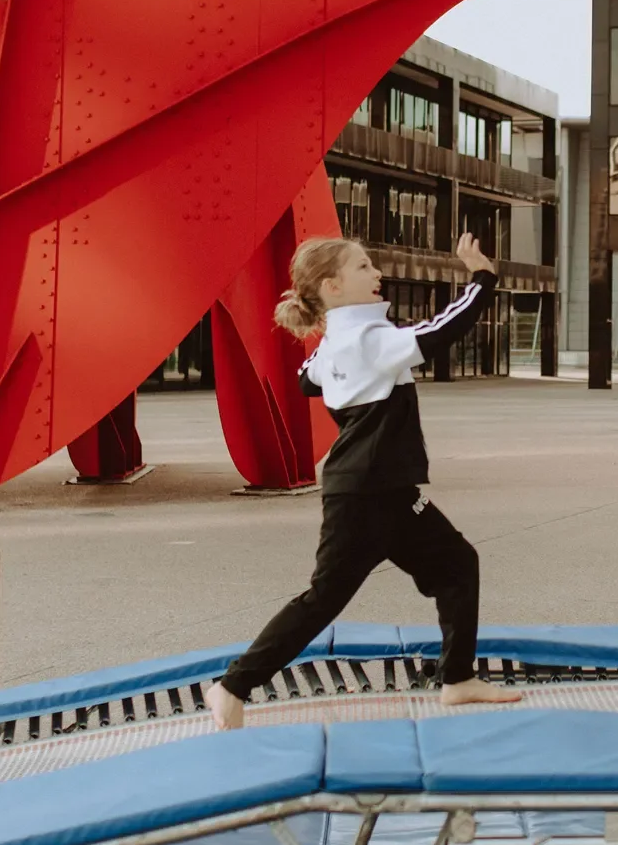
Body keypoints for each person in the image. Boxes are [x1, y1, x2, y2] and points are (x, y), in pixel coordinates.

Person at [205, 230, 520, 729]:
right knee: (323, 599)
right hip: (367, 494)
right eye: (364, 267)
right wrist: (482, 278)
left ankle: (458, 680)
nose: (377, 274)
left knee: (458, 564)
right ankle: (233, 685)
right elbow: (442, 331)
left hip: (385, 491)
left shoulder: (339, 341)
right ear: (332, 287)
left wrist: (340, 365)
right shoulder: (370, 339)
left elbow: (307, 378)